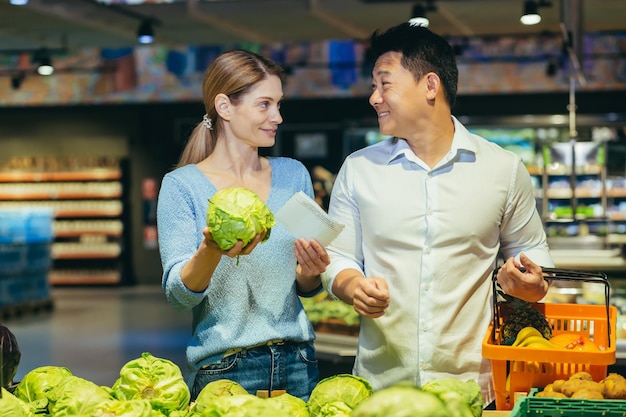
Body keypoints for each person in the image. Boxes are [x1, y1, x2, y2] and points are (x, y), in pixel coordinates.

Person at [321, 22, 554, 404]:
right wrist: (352, 286)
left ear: (430, 86)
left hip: (473, 390)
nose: (373, 98)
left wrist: (531, 283)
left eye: (384, 84)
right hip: (382, 390)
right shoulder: (359, 169)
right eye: (373, 87)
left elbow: (533, 249)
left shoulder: (502, 168)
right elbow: (340, 255)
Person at [157, 49, 330, 401]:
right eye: (264, 104)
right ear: (224, 107)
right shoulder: (182, 186)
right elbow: (178, 296)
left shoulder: (293, 175)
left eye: (279, 104)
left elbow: (304, 286)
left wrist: (312, 271)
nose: (277, 116)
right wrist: (211, 249)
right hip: (225, 372)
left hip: (298, 362)